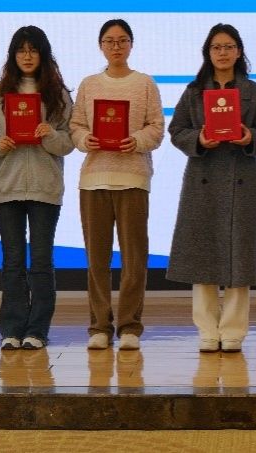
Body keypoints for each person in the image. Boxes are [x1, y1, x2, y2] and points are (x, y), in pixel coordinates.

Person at [167, 23, 256, 353]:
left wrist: (250, 137)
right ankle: (206, 330)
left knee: (239, 260)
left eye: (229, 47)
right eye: (217, 47)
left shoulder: (252, 91)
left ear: (239, 52)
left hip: (241, 180)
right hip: (203, 180)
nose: (223, 52)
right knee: (203, 257)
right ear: (208, 53)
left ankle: (233, 331)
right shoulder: (194, 91)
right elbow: (177, 130)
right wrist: (198, 139)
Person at [69, 19, 164, 351]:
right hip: (94, 180)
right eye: (109, 41)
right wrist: (86, 139)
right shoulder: (89, 84)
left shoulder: (145, 83)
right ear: (101, 46)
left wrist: (136, 140)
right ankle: (99, 325)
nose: (116, 46)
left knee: (134, 258)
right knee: (97, 260)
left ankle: (129, 326)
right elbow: (76, 126)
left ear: (131, 44)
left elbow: (156, 128)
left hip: (133, 178)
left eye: (122, 40)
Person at [0, 26, 74, 351]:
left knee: (40, 261)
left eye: (33, 50)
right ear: (13, 55)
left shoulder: (58, 93)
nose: (27, 56)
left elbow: (69, 142)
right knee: (12, 262)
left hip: (44, 188)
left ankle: (37, 329)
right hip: (7, 187)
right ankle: (11, 328)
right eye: (21, 50)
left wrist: (50, 134)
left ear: (43, 54)